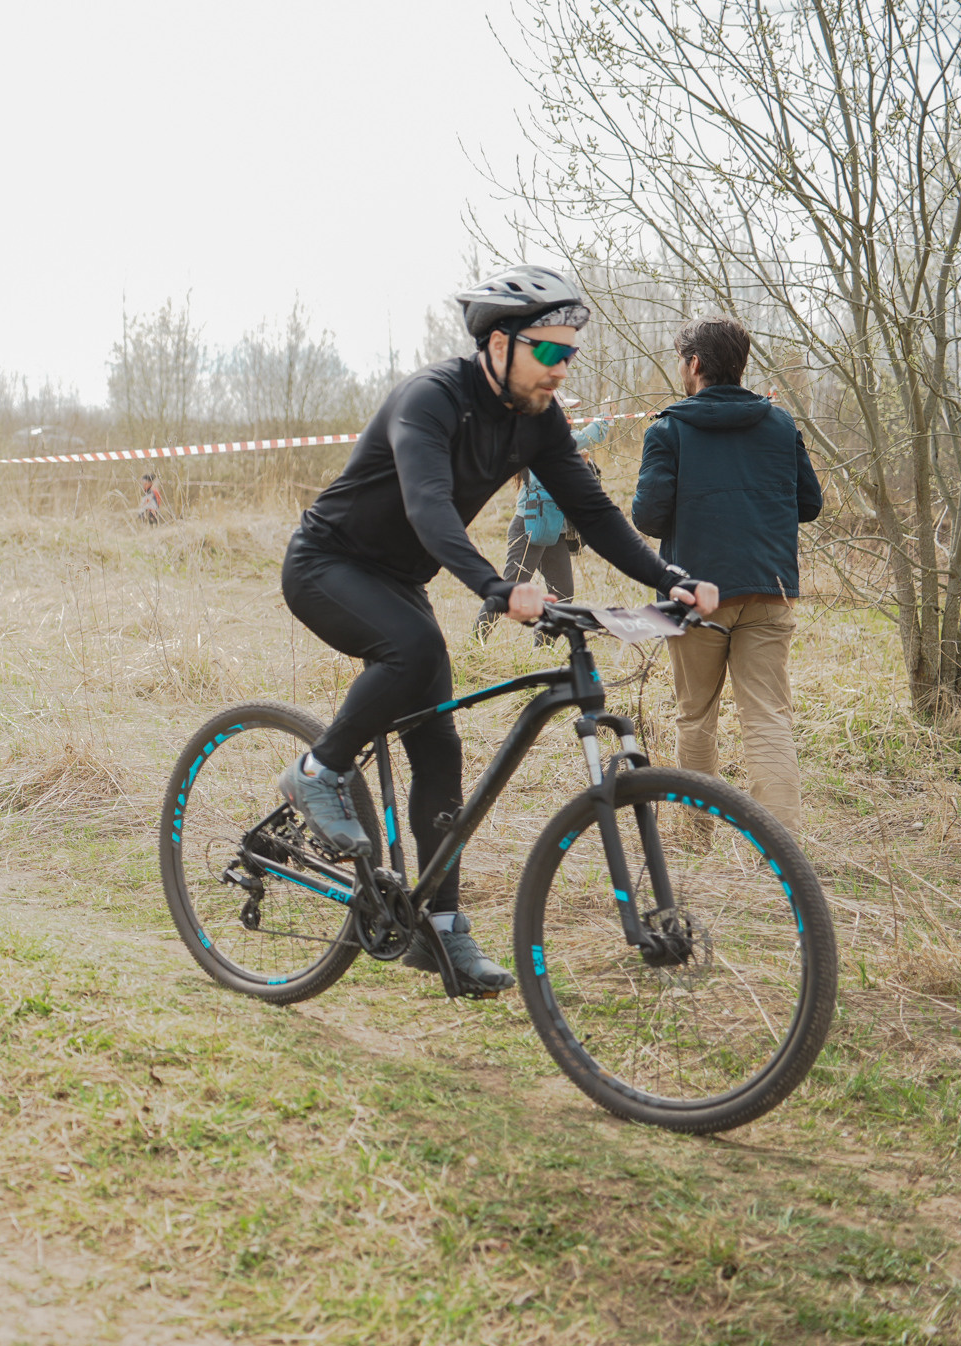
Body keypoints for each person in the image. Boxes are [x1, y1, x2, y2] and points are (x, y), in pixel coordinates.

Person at [277, 265, 718, 994]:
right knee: (412, 648)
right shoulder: (430, 399)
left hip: (398, 582)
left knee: (442, 754)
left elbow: (594, 511)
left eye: (570, 352)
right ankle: (317, 773)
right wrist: (495, 586)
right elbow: (427, 507)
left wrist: (669, 578)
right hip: (327, 564)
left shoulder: (539, 421)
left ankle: (441, 935)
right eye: (550, 351)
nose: (562, 366)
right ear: (500, 343)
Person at [632, 314, 823, 839]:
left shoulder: (667, 429)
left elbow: (647, 518)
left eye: (681, 359)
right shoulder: (781, 424)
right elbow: (810, 503)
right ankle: (783, 854)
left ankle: (694, 840)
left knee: (695, 716)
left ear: (694, 363)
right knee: (767, 718)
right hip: (771, 589)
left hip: (696, 594)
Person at [472, 398, 612, 638]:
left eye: (569, 411)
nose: (567, 414)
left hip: (554, 529)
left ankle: (543, 649)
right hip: (530, 525)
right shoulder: (541, 436)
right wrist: (606, 416)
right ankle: (476, 643)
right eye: (563, 409)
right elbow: (590, 435)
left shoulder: (559, 441)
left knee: (563, 594)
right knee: (508, 591)